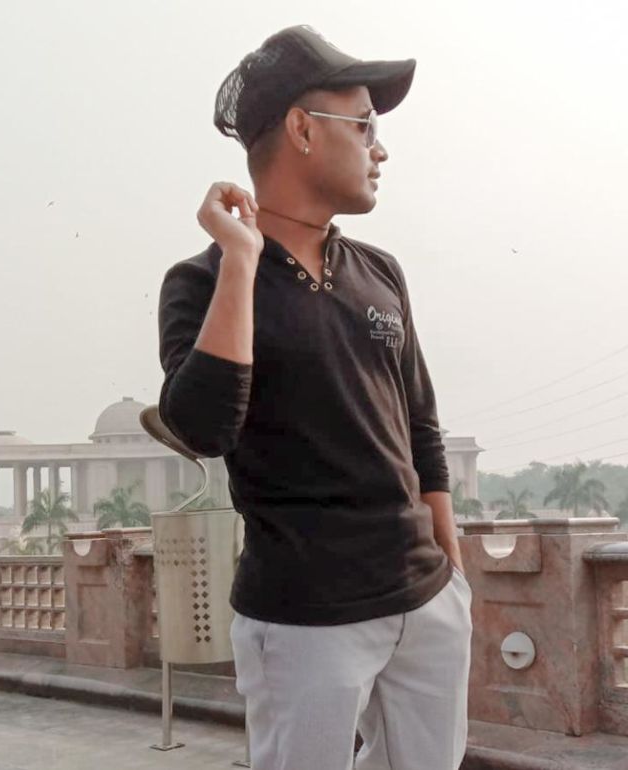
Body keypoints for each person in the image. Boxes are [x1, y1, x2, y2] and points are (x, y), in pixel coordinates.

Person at [158, 24, 472, 770]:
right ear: (302, 129)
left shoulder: (380, 272)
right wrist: (242, 258)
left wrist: (452, 577)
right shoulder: (202, 282)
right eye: (364, 125)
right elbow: (203, 427)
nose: (379, 149)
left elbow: (420, 426)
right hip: (305, 619)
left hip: (426, 602)